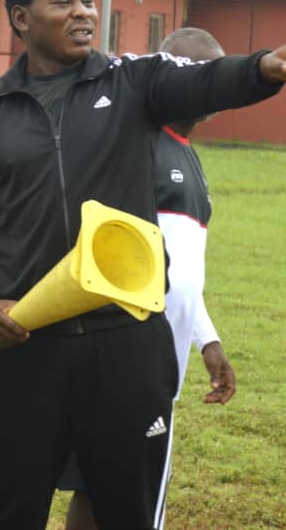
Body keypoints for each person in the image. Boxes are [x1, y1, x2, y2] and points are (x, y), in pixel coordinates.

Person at [0, 0, 286, 530]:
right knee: (10, 513)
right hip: (25, 351)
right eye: (63, 2)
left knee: (127, 513)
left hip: (128, 347)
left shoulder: (135, 81)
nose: (83, 12)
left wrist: (267, 67)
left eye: (87, 0)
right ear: (20, 18)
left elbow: (205, 78)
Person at [61, 27, 239, 530]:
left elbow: (178, 267)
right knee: (128, 501)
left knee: (105, 489)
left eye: (213, 76)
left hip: (163, 362)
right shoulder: (133, 141)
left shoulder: (188, 154)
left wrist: (208, 340)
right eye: (196, 73)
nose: (208, 86)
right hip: (128, 356)